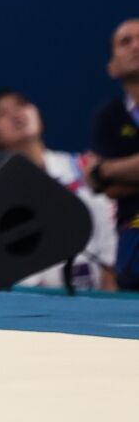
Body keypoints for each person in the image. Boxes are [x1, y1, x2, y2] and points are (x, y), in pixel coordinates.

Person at [0, 89, 117, 290]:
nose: (17, 114)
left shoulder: (81, 168)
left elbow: (108, 229)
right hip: (28, 304)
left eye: (21, 104)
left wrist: (110, 284)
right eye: (2, 113)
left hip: (95, 295)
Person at [88, 19, 139, 289]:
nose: (135, 46)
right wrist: (103, 174)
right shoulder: (107, 115)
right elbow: (100, 185)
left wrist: (109, 169)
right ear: (112, 67)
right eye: (125, 41)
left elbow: (103, 174)